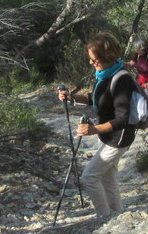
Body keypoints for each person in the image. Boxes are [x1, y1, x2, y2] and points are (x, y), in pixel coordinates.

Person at [57, 32, 138, 217]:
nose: (91, 63)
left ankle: (103, 217)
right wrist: (71, 97)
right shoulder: (104, 75)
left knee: (90, 177)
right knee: (108, 178)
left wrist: (93, 129)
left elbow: (122, 118)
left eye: (94, 59)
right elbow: (94, 99)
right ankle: (117, 214)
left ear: (106, 57)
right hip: (108, 135)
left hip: (118, 137)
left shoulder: (122, 79)